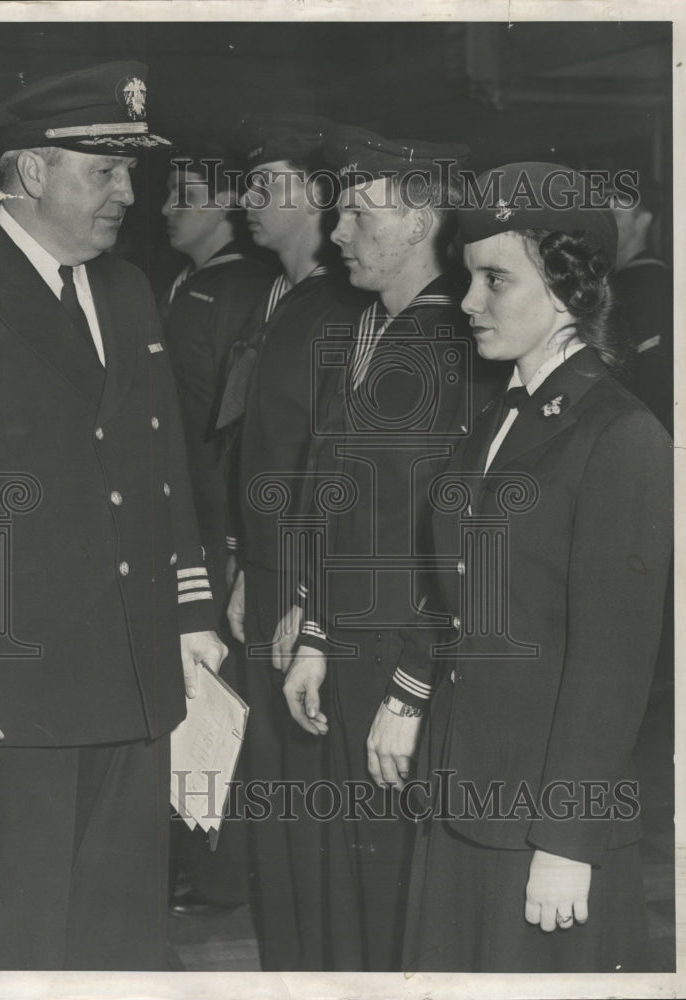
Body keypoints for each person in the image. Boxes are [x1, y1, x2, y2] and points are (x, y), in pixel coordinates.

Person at [0, 61, 226, 971]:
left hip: (132, 678)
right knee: (14, 937)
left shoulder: (125, 289)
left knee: (119, 937)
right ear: (31, 172)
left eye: (130, 173)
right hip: (6, 690)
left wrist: (192, 612)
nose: (128, 194)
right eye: (105, 172)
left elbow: (161, 464)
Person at [367, 162, 673, 973]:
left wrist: (567, 839)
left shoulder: (619, 435)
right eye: (469, 278)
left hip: (542, 812)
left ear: (567, 286)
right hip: (463, 786)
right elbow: (464, 581)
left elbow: (614, 662)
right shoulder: (501, 413)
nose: (468, 302)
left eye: (493, 279)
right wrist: (409, 690)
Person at [277, 126, 485, 970]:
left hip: (412, 666)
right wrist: (318, 632)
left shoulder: (456, 348)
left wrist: (409, 686)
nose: (337, 234)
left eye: (359, 215)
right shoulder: (374, 331)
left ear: (418, 222)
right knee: (357, 890)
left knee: (404, 899)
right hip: (350, 656)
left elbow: (454, 549)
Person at [220, 113, 369, 970]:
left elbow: (335, 467)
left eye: (267, 185)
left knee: (305, 794)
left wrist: (309, 594)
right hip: (267, 573)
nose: (248, 201)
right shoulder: (277, 295)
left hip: (308, 587)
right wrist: (246, 565)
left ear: (318, 197)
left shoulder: (342, 309)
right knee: (271, 788)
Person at [158, 140, 273, 914]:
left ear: (228, 204)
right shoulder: (183, 281)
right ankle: (192, 856)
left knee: (221, 703)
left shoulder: (244, 290)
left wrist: (233, 544)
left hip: (214, 533)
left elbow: (240, 433)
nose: (168, 208)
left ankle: (222, 872)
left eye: (185, 193)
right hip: (180, 525)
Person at [611, 176, 673, 433]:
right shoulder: (614, 278)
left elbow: (655, 378)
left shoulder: (651, 281)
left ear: (643, 221)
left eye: (615, 216)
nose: (607, 225)